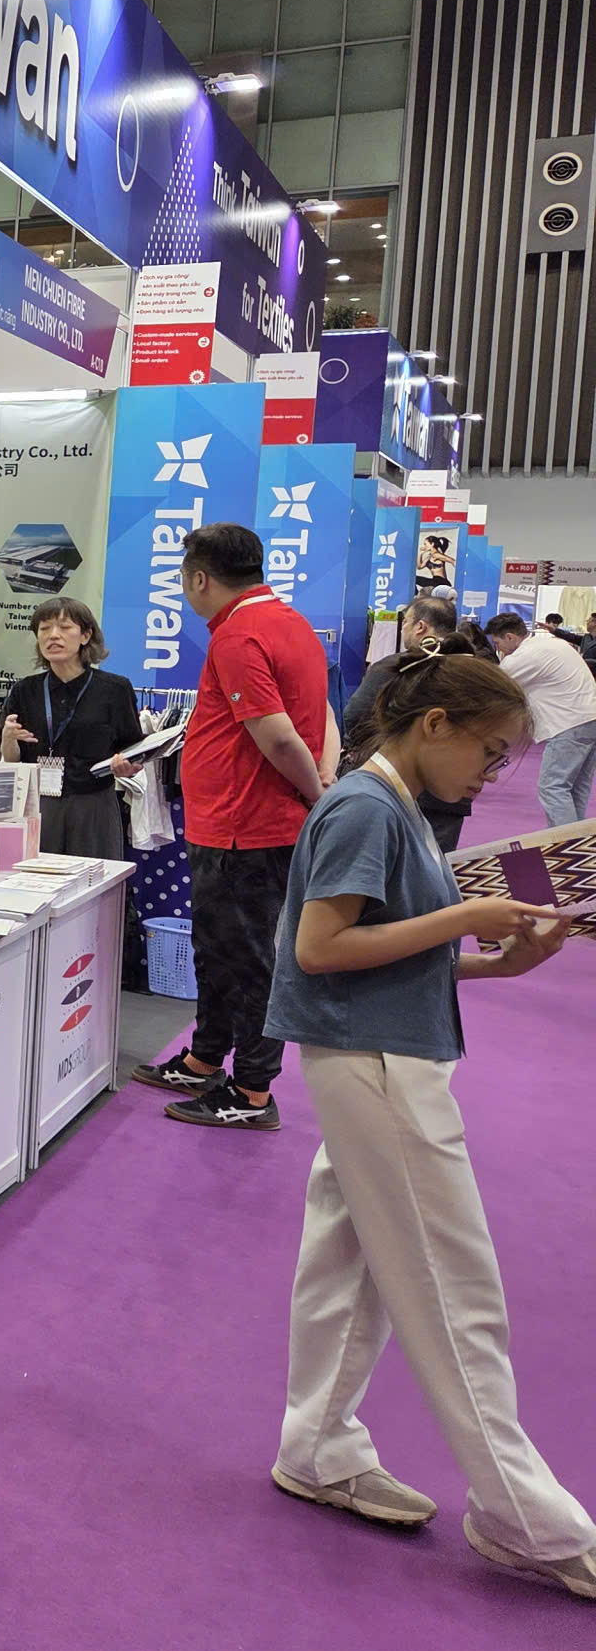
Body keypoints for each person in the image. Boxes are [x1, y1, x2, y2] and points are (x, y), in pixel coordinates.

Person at [263, 647, 596, 1598]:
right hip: (376, 1065)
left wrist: (496, 962)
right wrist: (466, 919)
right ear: (435, 723)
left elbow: (382, 949)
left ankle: (318, 1446)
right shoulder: (367, 807)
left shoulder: (393, 804)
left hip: (381, 1053)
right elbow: (322, 947)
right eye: (490, 753)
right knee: (454, 1286)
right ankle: (526, 1518)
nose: (494, 774)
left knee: (353, 1265)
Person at [132, 523, 337, 1132]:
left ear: (199, 578)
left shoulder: (240, 635)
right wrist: (322, 779)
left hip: (246, 828)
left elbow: (279, 735)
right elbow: (323, 712)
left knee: (247, 960)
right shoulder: (291, 623)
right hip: (235, 824)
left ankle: (251, 1090)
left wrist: (315, 793)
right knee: (218, 949)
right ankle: (204, 1058)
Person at [0, 596, 143, 860]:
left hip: (93, 805)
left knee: (94, 879)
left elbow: (133, 750)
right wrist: (8, 738)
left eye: (64, 627)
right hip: (37, 803)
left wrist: (126, 766)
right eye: (44, 628)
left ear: (86, 636)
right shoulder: (25, 690)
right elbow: (11, 760)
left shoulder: (114, 689)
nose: (53, 635)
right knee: (33, 877)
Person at [345, 598, 471, 852]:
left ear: (420, 626)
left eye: (406, 623)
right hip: (453, 785)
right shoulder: (474, 670)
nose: (403, 630)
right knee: (436, 864)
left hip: (394, 781)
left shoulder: (395, 667)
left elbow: (354, 716)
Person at [482, 610, 596, 828]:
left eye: (497, 643)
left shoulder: (521, 658)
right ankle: (578, 840)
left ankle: (565, 842)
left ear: (510, 637)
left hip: (568, 723)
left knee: (552, 787)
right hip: (590, 717)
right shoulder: (555, 644)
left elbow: (492, 690)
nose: (498, 649)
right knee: (576, 788)